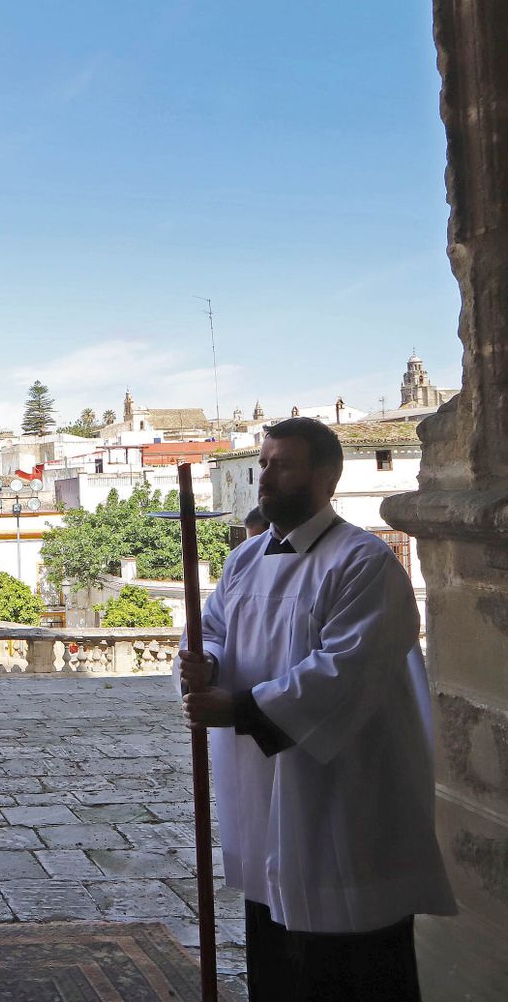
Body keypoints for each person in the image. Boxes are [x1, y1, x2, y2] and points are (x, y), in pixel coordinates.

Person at [179, 417, 455, 1001]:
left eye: (283, 465)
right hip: (262, 787)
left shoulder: (362, 562)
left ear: (327, 477)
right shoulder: (244, 561)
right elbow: (212, 632)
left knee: (350, 964)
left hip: (343, 789)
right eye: (264, 463)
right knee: (276, 951)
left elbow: (348, 669)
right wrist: (205, 664)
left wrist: (242, 709)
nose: (265, 478)